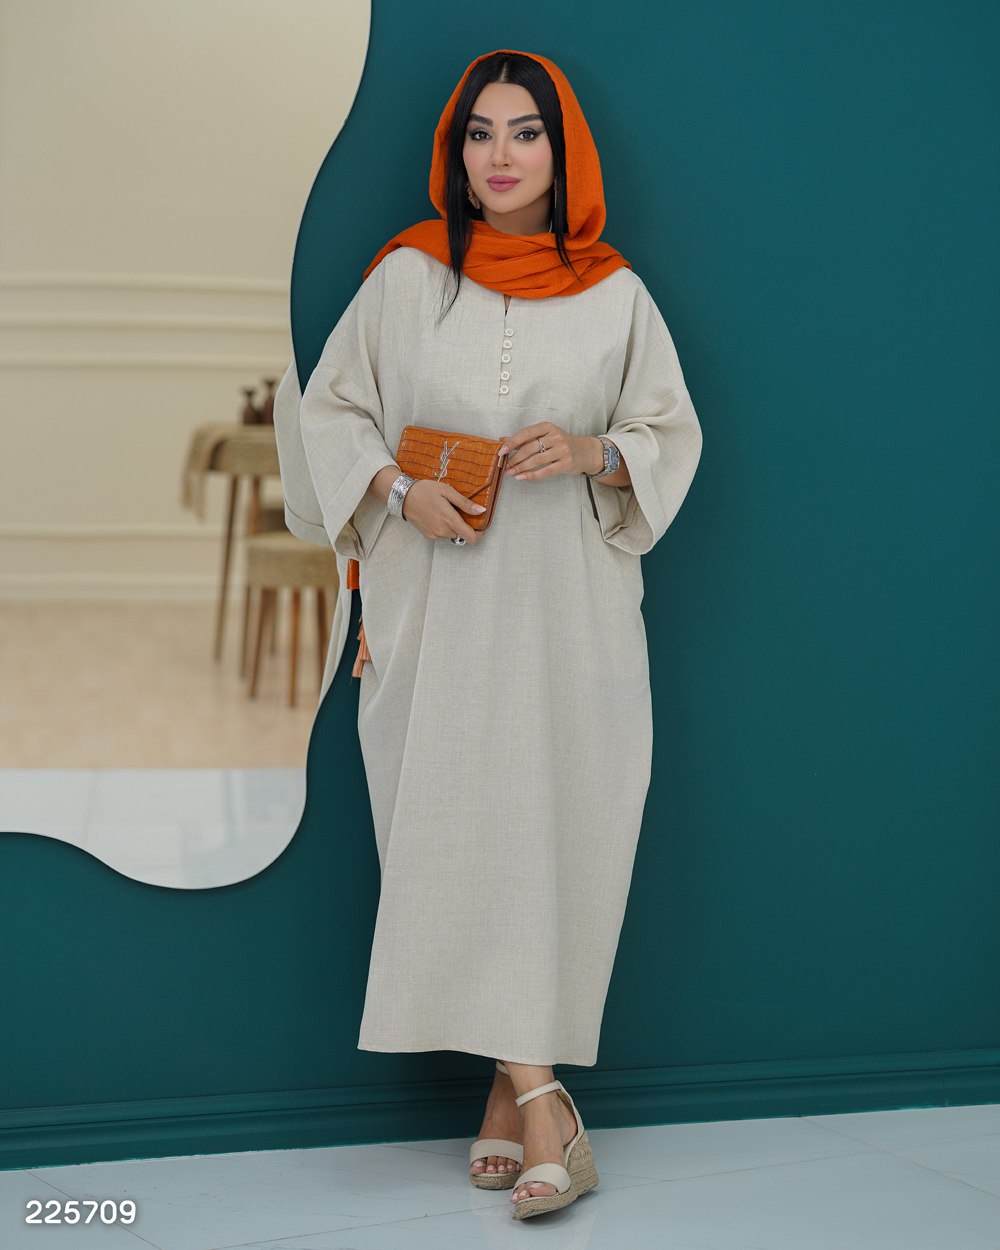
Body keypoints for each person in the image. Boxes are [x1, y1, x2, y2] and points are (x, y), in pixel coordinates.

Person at [294, 48, 703, 1221]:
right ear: (455, 151)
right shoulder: (406, 279)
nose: (501, 156)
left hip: (567, 613)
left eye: (525, 133)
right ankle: (544, 1099)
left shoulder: (615, 295)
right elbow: (330, 410)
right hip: (435, 606)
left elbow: (665, 432)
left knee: (551, 830)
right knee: (455, 834)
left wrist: (591, 450)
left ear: (561, 154)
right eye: (480, 133)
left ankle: (512, 1094)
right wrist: (397, 489)